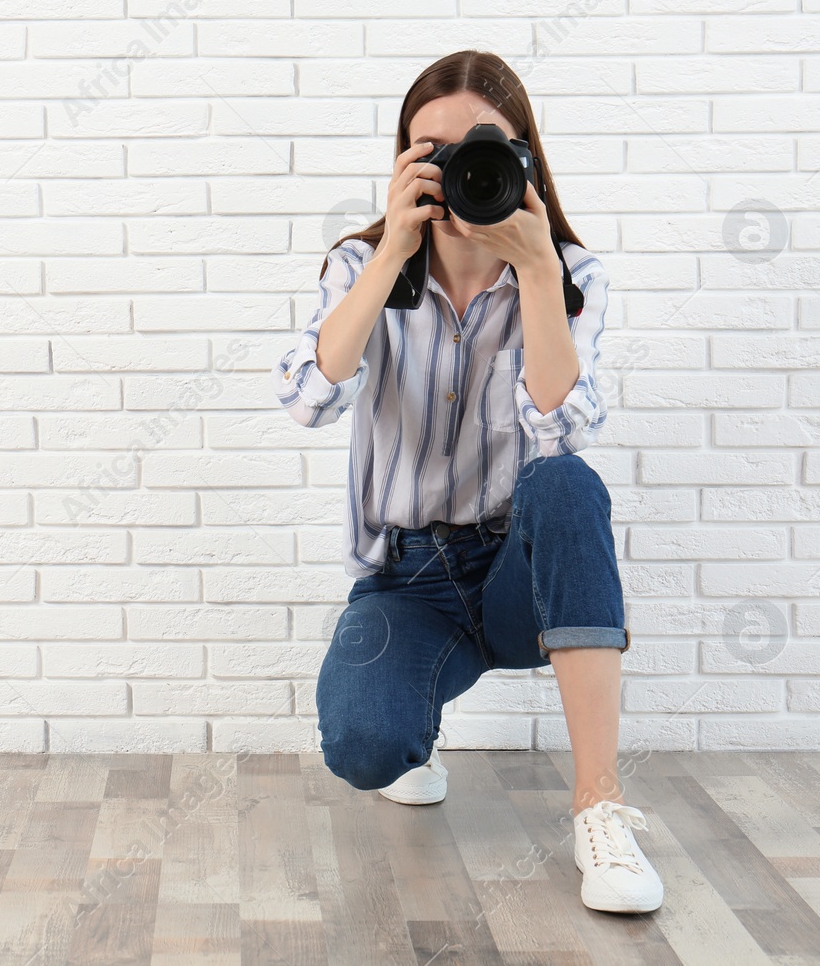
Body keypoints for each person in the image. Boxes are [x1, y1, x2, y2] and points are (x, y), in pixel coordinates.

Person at [271, 49, 663, 915]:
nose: (456, 170)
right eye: (430, 149)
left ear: (523, 158)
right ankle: (416, 725)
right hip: (407, 577)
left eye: (480, 148)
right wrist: (388, 256)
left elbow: (564, 428)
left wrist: (534, 272)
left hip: (521, 572)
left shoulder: (571, 275)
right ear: (404, 160)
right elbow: (306, 399)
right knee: (368, 749)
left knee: (568, 484)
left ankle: (600, 809)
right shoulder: (359, 267)